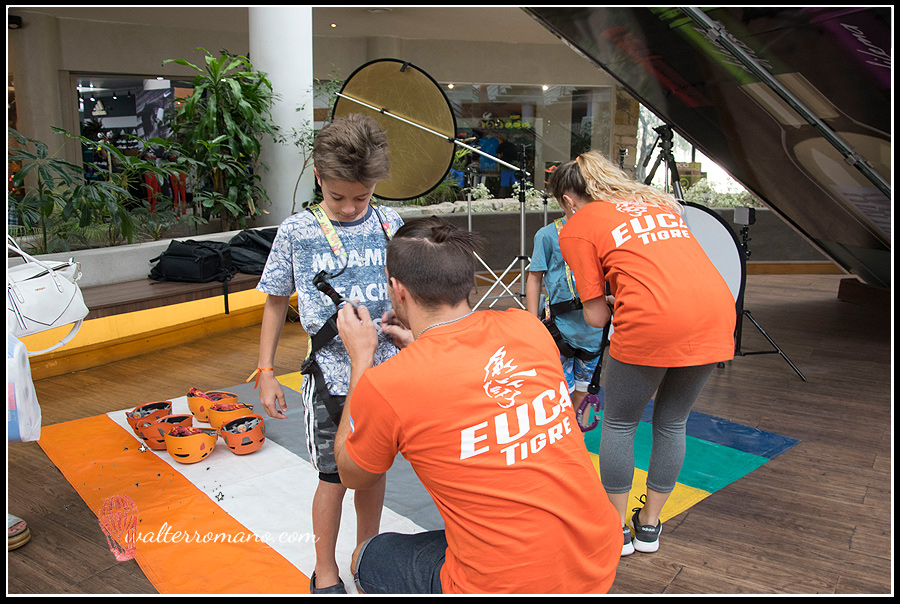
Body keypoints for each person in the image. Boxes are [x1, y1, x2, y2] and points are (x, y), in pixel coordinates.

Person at [333, 217, 621, 594]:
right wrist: (421, 350)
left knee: (367, 556)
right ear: (468, 281)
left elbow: (353, 475)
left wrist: (361, 362)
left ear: (396, 289)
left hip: (505, 586)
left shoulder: (388, 383)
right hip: (597, 556)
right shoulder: (528, 328)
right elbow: (474, 379)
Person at [551, 151, 736, 556]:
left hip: (653, 321)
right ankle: (649, 527)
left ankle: (616, 532)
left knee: (619, 424)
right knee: (672, 423)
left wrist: (615, 300)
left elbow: (596, 317)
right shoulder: (657, 205)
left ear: (568, 200)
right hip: (716, 313)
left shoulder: (578, 225)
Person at [252, 113, 404, 593]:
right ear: (319, 176)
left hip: (386, 376)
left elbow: (404, 291)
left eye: (362, 195)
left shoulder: (389, 222)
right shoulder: (298, 231)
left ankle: (366, 552)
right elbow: (276, 301)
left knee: (373, 470)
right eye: (338, 196)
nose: (350, 206)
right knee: (333, 477)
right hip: (330, 380)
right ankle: (325, 569)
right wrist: (266, 370)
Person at [526, 198, 606, 418]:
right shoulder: (547, 235)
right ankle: (561, 442)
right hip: (559, 329)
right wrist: (533, 322)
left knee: (584, 392)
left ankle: (578, 440)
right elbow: (534, 278)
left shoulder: (602, 234)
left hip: (593, 331)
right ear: (566, 201)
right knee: (558, 394)